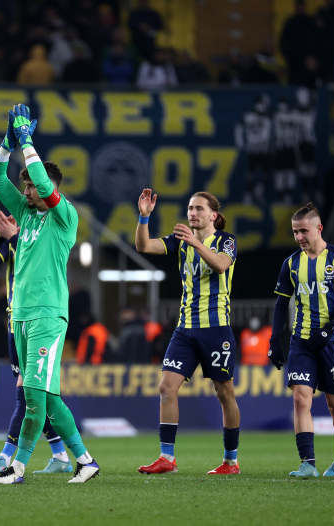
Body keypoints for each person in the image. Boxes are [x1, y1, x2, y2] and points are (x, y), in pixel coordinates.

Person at [0, 104, 99, 484]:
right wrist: (8, 142)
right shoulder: (25, 211)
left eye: (32, 186)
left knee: (34, 396)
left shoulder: (64, 215)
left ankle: (15, 468)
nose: (27, 191)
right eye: (26, 187)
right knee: (48, 399)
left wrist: (27, 141)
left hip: (47, 314)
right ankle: (85, 461)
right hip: (20, 314)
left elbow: (45, 187)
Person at [135, 188, 242, 476]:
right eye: (190, 208)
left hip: (216, 329)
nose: (192, 213)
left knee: (225, 394)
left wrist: (195, 243)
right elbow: (143, 246)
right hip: (185, 329)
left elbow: (221, 265)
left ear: (213, 215)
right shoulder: (180, 241)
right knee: (165, 388)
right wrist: (144, 218)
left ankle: (230, 461)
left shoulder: (226, 241)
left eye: (199, 208)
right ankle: (166, 458)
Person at [0, 210, 72, 475]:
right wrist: (1, 237)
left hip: (39, 321)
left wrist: (15, 237)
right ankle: (61, 455)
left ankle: (6, 455)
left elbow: (33, 258)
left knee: (26, 391)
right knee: (36, 394)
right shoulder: (14, 241)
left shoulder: (42, 242)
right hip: (15, 323)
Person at [269, 203, 334, 478]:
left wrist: (329, 329)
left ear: (319, 228)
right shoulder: (291, 263)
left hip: (333, 341)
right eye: (295, 232)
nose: (299, 237)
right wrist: (275, 340)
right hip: (302, 341)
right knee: (300, 399)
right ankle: (307, 463)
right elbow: (281, 304)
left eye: (303, 231)